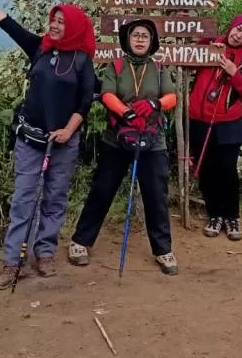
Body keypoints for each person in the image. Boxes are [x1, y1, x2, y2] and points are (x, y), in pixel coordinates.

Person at [0, 0, 96, 289]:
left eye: (62, 21)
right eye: (53, 20)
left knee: (55, 200)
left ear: (73, 26)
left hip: (64, 143)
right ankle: (12, 261)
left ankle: (44, 254)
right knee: (24, 200)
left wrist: (67, 130)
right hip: (30, 138)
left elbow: (86, 101)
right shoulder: (39, 48)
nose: (55, 25)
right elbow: (6, 22)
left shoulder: (83, 61)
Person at [67, 18, 180, 275]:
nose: (140, 39)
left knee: (156, 195)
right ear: (127, 39)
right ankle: (80, 242)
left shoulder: (160, 68)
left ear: (152, 42)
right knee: (102, 189)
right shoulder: (115, 66)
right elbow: (107, 94)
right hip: (116, 137)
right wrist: (124, 112)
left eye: (145, 36)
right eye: (135, 35)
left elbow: (172, 96)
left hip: (153, 141)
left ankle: (163, 250)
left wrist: (155, 105)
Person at [188, 13, 242, 241]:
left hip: (229, 124)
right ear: (232, 26)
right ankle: (214, 214)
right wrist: (206, 46)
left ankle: (232, 216)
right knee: (206, 170)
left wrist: (233, 72)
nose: (238, 36)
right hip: (199, 119)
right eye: (238, 29)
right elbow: (188, 59)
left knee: (226, 169)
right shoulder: (210, 45)